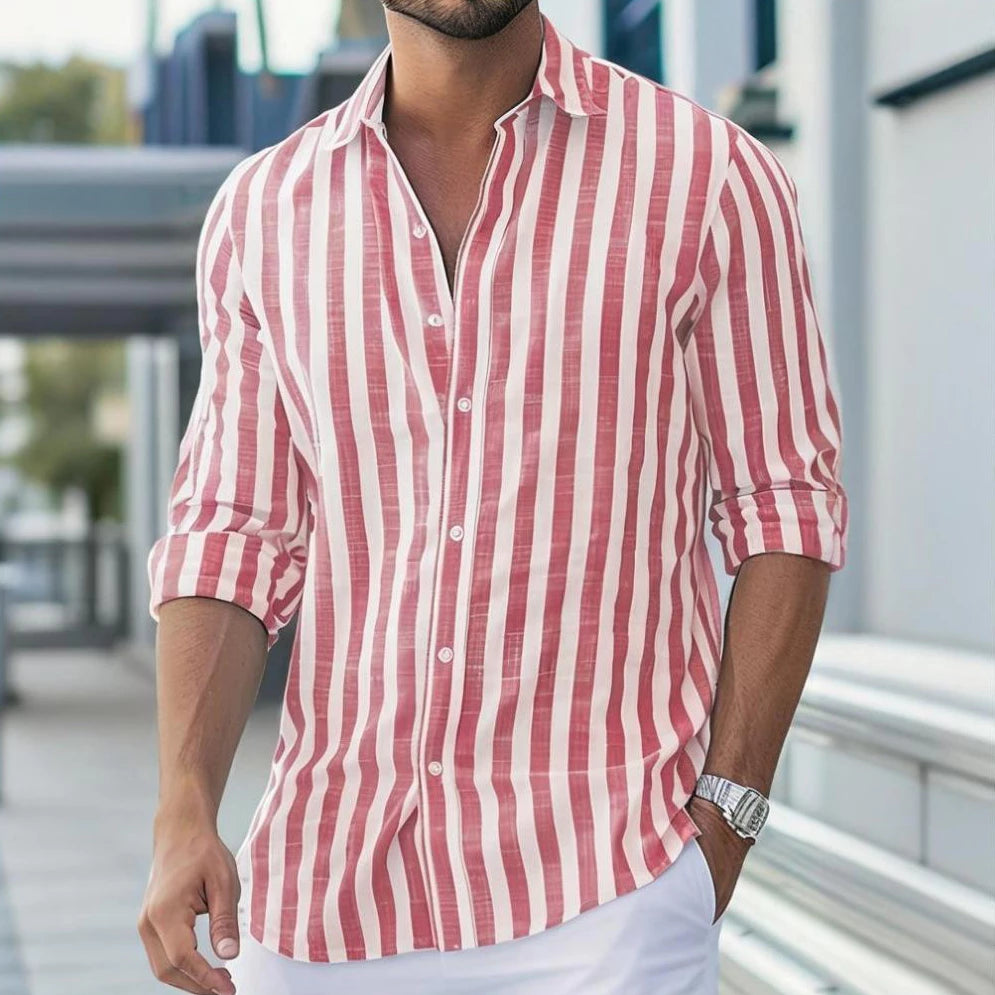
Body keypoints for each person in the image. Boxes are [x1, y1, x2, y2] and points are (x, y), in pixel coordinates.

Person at [137, 3, 849, 993]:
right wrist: (184, 812)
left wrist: (724, 818)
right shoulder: (264, 211)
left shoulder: (710, 177)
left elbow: (785, 502)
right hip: (323, 903)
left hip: (608, 896)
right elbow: (232, 532)